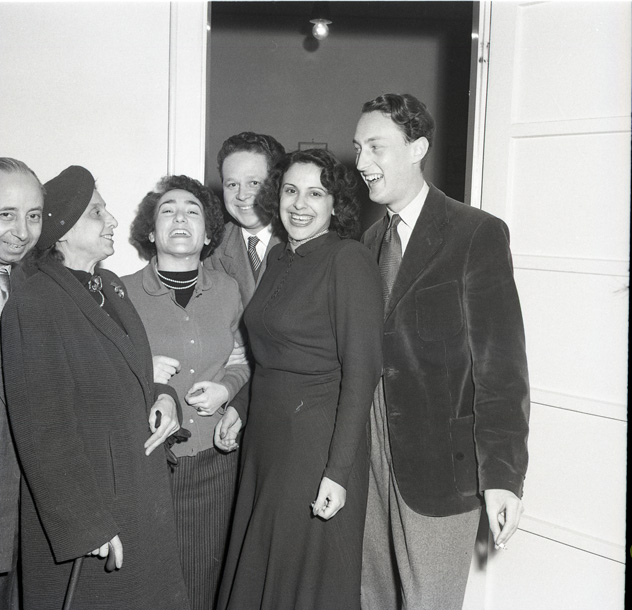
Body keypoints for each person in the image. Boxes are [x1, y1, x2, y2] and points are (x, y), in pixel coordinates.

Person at [353, 93, 530, 610]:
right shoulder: (365, 244)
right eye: (358, 148)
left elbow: (501, 369)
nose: (362, 162)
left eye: (376, 147)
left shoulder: (476, 233)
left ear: (417, 149)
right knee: (371, 600)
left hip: (440, 470)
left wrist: (503, 476)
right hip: (368, 463)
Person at [1, 165, 191, 610]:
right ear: (63, 232)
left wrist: (166, 398)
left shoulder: (108, 286)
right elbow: (43, 430)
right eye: (97, 213)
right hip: (96, 516)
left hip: (137, 497)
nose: (112, 221)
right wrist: (86, 526)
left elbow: (134, 373)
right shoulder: (34, 303)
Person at [215, 148, 384, 610]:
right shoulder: (279, 257)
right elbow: (271, 355)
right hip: (267, 442)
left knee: (301, 580)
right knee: (262, 571)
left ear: (335, 204)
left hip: (314, 445)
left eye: (315, 193)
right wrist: (240, 406)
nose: (300, 204)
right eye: (291, 190)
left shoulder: (348, 259)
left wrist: (337, 472)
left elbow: (362, 373)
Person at [122, 175, 250, 610]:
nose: (180, 218)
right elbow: (99, 373)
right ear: (151, 231)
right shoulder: (120, 292)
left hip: (214, 466)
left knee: (202, 585)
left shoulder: (228, 291)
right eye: (168, 211)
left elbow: (242, 361)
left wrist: (226, 389)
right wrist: (144, 371)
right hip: (145, 464)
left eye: (192, 211)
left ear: (208, 233)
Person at [0, 158, 43, 610]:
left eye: (34, 216)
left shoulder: (39, 286)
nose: (22, 232)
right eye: (6, 215)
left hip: (24, 521)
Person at [204, 131, 285, 307]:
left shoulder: (298, 240)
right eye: (232, 184)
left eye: (254, 183)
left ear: (277, 184)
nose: (242, 195)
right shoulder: (213, 247)